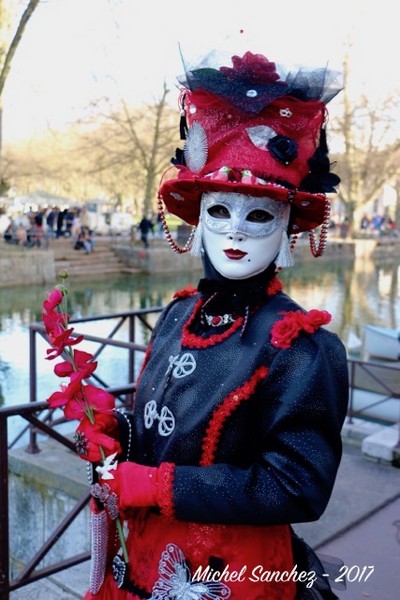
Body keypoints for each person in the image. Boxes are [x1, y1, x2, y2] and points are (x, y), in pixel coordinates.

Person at [82, 49, 348, 600]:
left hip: (236, 578)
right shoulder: (180, 312)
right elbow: (174, 428)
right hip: (146, 557)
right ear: (197, 219)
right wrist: (120, 429)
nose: (235, 233)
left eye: (258, 216)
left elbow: (298, 486)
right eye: (219, 212)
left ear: (287, 229)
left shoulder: (303, 347)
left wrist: (158, 486)